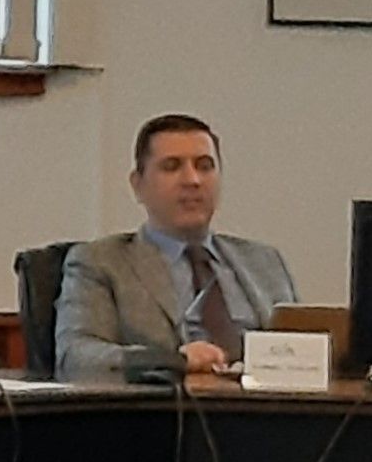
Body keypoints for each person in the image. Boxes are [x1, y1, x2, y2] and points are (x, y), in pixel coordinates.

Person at [55, 114, 297, 381]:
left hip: (264, 402)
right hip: (166, 404)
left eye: (204, 166)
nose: (192, 180)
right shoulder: (100, 262)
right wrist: (174, 361)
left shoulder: (264, 261)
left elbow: (301, 353)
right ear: (138, 185)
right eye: (172, 167)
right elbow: (76, 356)